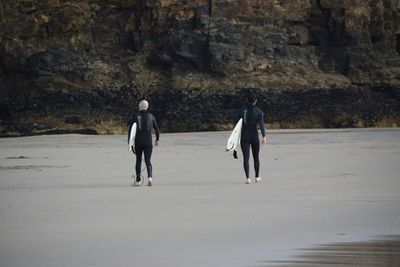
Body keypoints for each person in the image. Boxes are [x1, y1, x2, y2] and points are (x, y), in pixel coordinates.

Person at [128, 100, 160, 187]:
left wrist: (130, 143)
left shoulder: (135, 116)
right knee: (148, 161)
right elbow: (157, 129)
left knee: (138, 161)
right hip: (148, 143)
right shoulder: (151, 116)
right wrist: (157, 139)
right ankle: (150, 177)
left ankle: (138, 180)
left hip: (138, 142)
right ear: (147, 107)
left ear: (139, 107)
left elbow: (131, 131)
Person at [237, 93, 266, 184]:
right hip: (254, 137)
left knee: (246, 158)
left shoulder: (241, 111)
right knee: (256, 157)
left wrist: (235, 139)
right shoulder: (259, 111)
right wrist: (264, 136)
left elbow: (237, 126)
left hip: (244, 136)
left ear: (247, 100)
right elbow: (261, 125)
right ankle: (257, 177)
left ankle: (247, 178)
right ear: (256, 101)